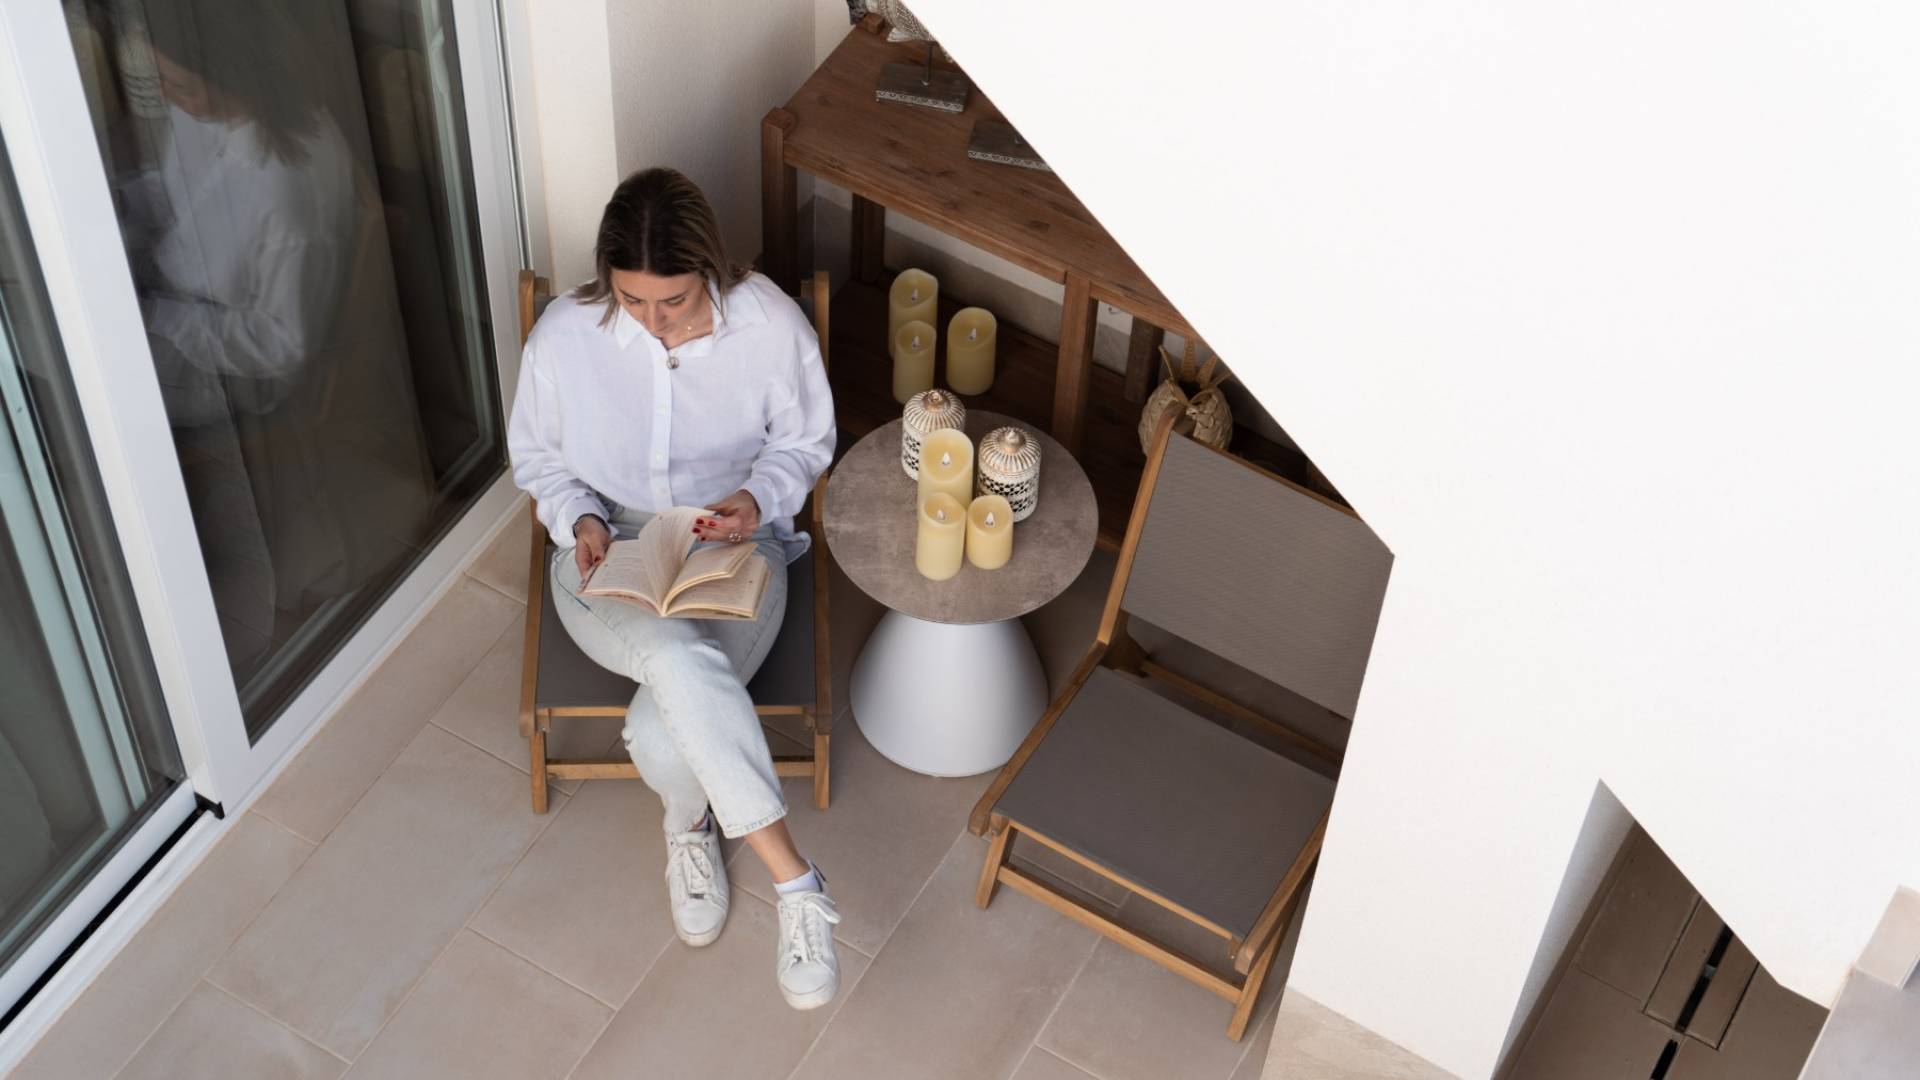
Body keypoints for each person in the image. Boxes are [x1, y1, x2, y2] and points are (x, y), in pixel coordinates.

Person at [507, 168, 841, 1009]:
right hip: (605, 551)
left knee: (661, 731)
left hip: (736, 544)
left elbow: (805, 444)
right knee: (676, 655)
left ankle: (687, 825)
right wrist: (580, 518)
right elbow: (538, 459)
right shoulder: (564, 336)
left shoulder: (769, 325)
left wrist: (756, 499)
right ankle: (796, 883)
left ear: (711, 271)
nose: (653, 322)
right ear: (607, 280)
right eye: (632, 300)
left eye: (675, 301)